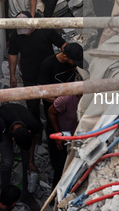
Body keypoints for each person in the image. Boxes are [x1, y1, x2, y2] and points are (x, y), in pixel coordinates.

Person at [38, 43, 83, 186]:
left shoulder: (74, 62)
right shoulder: (48, 64)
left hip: (69, 106)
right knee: (57, 145)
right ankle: (57, 172)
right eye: (73, 62)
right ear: (65, 56)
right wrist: (61, 101)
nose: (75, 64)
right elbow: (42, 92)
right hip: (55, 107)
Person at [8, 11, 66, 118]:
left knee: (52, 105)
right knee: (32, 107)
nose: (25, 33)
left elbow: (63, 45)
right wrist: (12, 75)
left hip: (48, 74)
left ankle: (52, 127)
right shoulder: (15, 35)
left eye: (27, 30)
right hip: (29, 74)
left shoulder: (45, 30)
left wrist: (62, 63)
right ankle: (36, 129)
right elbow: (12, 54)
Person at [47, 95, 82, 186]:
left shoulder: (90, 100)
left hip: (76, 137)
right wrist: (58, 134)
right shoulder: (66, 100)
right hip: (62, 137)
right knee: (60, 167)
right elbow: (51, 112)